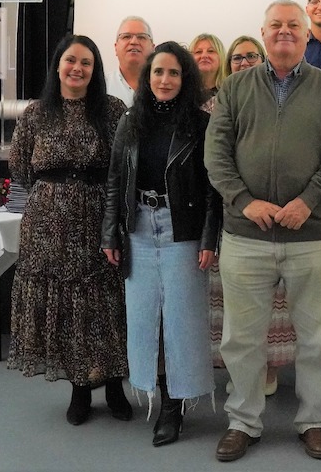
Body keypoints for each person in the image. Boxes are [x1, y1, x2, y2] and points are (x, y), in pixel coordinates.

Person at [205, 0, 321, 462]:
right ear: (263, 33)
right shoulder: (234, 89)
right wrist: (247, 204)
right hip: (247, 234)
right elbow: (217, 156)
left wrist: (306, 202)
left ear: (307, 35)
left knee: (315, 338)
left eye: (294, 25)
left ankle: (314, 420)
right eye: (276, 25)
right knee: (241, 337)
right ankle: (243, 421)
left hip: (315, 234)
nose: (285, 32)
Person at [100, 42, 222, 447]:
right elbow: (116, 181)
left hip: (181, 230)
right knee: (143, 320)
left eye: (173, 73)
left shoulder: (200, 126)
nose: (165, 80)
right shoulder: (131, 122)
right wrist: (110, 232)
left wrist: (208, 237)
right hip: (137, 228)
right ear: (147, 78)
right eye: (158, 72)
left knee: (183, 322)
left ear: (185, 79)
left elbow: (211, 190)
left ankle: (174, 406)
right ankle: (152, 390)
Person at [8, 34, 130, 426]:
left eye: (87, 63)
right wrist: (56, 194)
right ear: (58, 65)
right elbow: (21, 168)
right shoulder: (36, 113)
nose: (77, 68)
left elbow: (124, 166)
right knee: (68, 309)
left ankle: (114, 385)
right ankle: (79, 388)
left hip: (100, 220)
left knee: (105, 304)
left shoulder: (112, 110)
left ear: (95, 71)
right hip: (47, 227)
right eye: (71, 60)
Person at [211, 34, 296, 395]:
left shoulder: (285, 97)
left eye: (251, 56)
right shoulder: (221, 102)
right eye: (236, 58)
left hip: (285, 219)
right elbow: (217, 158)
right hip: (236, 218)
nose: (243, 62)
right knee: (239, 310)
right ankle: (243, 376)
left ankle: (269, 371)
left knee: (277, 306)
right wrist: (244, 201)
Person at [109, 16, 156, 106]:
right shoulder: (102, 86)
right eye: (126, 37)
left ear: (153, 48)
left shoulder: (163, 86)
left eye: (141, 37)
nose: (134, 42)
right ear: (116, 48)